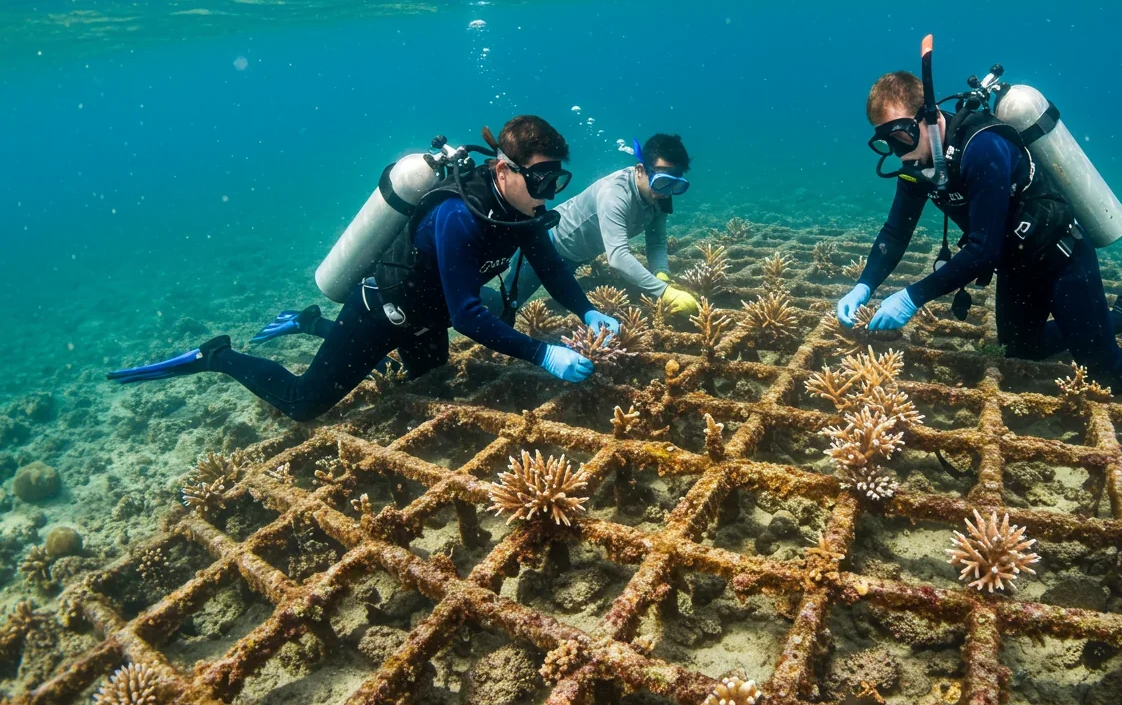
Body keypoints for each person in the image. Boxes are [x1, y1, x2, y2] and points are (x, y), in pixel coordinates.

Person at [107, 116, 622, 420]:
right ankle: (218, 355)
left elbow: (551, 268)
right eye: (541, 178)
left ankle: (307, 322)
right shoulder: (458, 217)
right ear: (504, 168)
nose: (549, 193)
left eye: (557, 180)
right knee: (304, 403)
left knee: (422, 380)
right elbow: (468, 314)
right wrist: (540, 353)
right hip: (385, 312)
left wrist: (586, 309)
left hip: (429, 314)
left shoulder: (520, 211)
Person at [839, 64, 1122, 392]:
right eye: (884, 139)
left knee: (1109, 376)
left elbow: (980, 251)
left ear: (927, 117)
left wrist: (912, 296)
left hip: (1061, 257)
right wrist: (865, 285)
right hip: (1017, 263)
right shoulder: (919, 163)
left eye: (900, 133)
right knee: (1019, 351)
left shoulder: (982, 149)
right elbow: (895, 232)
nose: (896, 149)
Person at [478, 133, 700, 319]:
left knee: (570, 307)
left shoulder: (659, 197)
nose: (665, 191)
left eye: (675, 185)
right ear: (641, 170)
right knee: (505, 307)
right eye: (660, 181)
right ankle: (461, 296)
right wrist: (665, 292)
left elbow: (657, 241)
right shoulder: (615, 193)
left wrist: (661, 273)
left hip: (576, 256)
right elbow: (618, 257)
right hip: (546, 246)